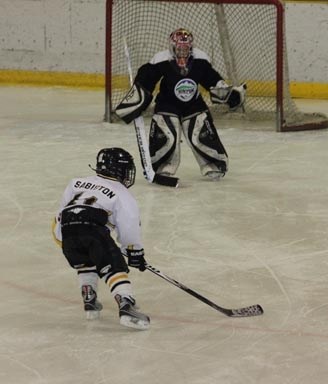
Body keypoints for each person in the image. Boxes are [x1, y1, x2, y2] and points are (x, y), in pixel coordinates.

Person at [116, 28, 246, 180]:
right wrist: (136, 100)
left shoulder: (200, 59)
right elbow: (147, 79)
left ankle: (214, 164)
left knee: (200, 130)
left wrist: (227, 92)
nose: (183, 51)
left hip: (194, 104)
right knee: (166, 133)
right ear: (172, 46)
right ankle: (163, 166)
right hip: (167, 103)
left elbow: (211, 78)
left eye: (186, 48)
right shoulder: (161, 59)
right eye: (179, 48)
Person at [52, 147, 150, 330]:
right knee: (113, 265)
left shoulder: (76, 182)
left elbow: (62, 212)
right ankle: (126, 305)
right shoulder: (122, 192)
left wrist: (63, 238)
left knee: (85, 262)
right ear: (119, 170)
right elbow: (128, 225)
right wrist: (134, 250)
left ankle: (90, 301)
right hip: (92, 229)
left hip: (67, 230)